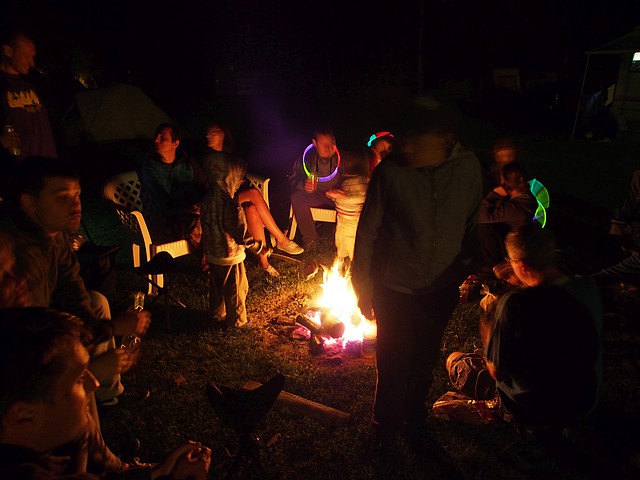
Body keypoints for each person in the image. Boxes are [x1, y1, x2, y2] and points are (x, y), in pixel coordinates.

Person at [351, 92, 483, 465]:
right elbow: (368, 232)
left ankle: (414, 417)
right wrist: (362, 287)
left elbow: (473, 220)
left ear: (443, 139)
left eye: (414, 139)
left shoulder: (468, 168)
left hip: (440, 289)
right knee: (392, 362)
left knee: (424, 359)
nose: (404, 146)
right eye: (403, 138)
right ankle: (385, 428)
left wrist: (467, 262)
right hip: (394, 288)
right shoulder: (390, 172)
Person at [0, 156, 151, 406]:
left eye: (77, 195)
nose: (75, 205)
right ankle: (86, 406)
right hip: (20, 367)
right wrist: (109, 332)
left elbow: (71, 290)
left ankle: (107, 395)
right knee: (79, 358)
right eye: (62, 197)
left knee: (97, 301)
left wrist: (105, 327)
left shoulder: (54, 234)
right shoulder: (16, 258)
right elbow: (37, 339)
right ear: (29, 204)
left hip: (43, 324)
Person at [0, 307, 212, 479]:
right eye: (78, 380)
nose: (92, 382)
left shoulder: (43, 450)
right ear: (24, 416)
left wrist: (159, 472)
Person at [462, 226, 603, 445]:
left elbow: (496, 371)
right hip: (584, 400)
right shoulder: (586, 285)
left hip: (533, 410)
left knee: (456, 361)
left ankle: (514, 418)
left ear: (521, 264)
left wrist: (489, 330)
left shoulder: (514, 305)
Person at [203, 121, 303, 277]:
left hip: (231, 195)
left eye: (213, 132)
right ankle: (282, 240)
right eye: (208, 132)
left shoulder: (230, 157)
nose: (208, 136)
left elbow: (237, 179)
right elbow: (208, 185)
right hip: (217, 200)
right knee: (254, 194)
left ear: (223, 134)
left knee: (251, 209)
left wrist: (236, 182)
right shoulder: (207, 159)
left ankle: (263, 260)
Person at [200, 152, 263, 329]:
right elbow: (240, 235)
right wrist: (258, 247)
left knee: (216, 287)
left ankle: (217, 314)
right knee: (235, 289)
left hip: (212, 254)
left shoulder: (206, 200)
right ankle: (237, 321)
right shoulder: (230, 205)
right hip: (229, 257)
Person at [0, 27, 57, 201]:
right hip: (21, 175)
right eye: (26, 56)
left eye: (33, 56)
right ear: (8, 51)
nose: (32, 62)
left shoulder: (35, 83)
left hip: (49, 168)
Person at [139, 123, 204, 248]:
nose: (156, 140)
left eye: (162, 138)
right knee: (205, 220)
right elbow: (162, 199)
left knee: (215, 212)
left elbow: (203, 186)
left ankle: (212, 259)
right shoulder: (151, 167)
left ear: (176, 143)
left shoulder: (188, 163)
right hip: (169, 218)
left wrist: (202, 204)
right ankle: (213, 258)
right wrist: (187, 208)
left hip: (193, 212)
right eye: (156, 136)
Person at [288, 126, 343, 251]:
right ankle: (311, 239)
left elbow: (351, 181)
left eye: (330, 144)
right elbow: (292, 179)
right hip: (317, 195)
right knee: (297, 196)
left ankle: (346, 238)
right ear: (315, 143)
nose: (328, 148)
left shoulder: (342, 158)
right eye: (323, 144)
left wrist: (339, 191)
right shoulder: (306, 158)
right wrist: (304, 185)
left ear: (334, 141)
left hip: (337, 198)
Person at [478, 161, 539, 271]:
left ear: (507, 183)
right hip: (517, 246)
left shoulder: (516, 207)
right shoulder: (526, 199)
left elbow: (481, 216)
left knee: (484, 227)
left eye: (502, 180)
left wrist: (494, 194)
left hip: (512, 253)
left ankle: (493, 269)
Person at [326, 148, 370, 264]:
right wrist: (334, 193)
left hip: (354, 223)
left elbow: (361, 197)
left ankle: (356, 274)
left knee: (353, 250)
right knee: (341, 245)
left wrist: (343, 195)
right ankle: (342, 268)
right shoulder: (345, 180)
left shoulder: (362, 180)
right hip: (342, 220)